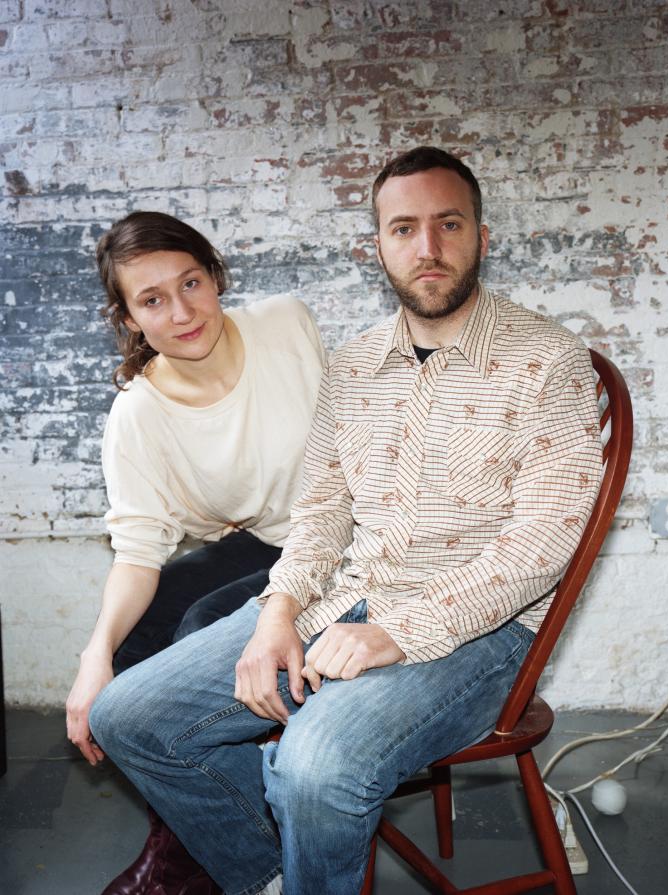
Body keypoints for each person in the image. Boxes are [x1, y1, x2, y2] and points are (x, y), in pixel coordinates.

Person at [89, 148, 604, 895]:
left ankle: (309, 837)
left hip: (483, 635)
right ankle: (278, 870)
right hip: (345, 596)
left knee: (313, 765)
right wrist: (279, 612)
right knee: (128, 715)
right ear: (379, 248)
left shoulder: (549, 361)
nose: (427, 248)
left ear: (482, 237)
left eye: (448, 224)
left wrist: (397, 632)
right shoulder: (354, 365)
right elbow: (323, 511)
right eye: (404, 229)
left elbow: (543, 543)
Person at [65, 211, 325, 894]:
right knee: (135, 638)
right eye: (152, 300)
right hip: (266, 542)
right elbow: (138, 551)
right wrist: (94, 656)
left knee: (201, 626)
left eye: (190, 283)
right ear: (128, 317)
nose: (181, 313)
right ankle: (187, 841)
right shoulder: (139, 413)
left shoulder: (285, 325)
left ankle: (218, 852)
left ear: (214, 276)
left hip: (343, 540)